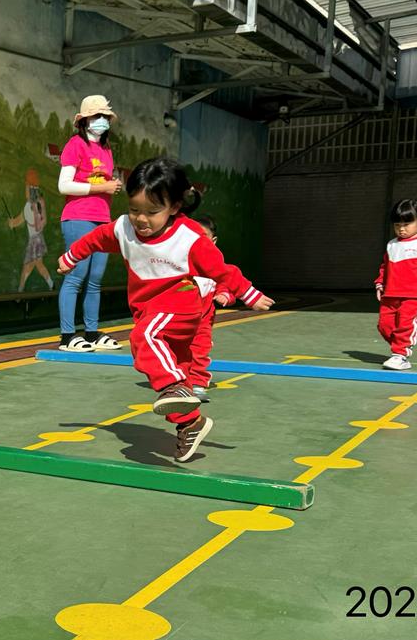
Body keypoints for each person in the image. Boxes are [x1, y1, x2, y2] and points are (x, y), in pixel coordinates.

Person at [58, 158, 273, 462]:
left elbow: (221, 270)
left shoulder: (190, 238)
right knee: (172, 374)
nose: (141, 219)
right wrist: (71, 257)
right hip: (150, 311)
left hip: (180, 305)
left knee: (143, 338)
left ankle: (174, 387)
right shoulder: (123, 228)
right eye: (135, 209)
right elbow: (95, 239)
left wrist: (248, 294)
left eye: (152, 212)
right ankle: (190, 423)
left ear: (174, 207)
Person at [57, 95, 123, 352]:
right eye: (97, 116)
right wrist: (102, 187)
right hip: (78, 217)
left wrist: (111, 185)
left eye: (105, 117)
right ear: (84, 120)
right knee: (76, 276)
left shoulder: (106, 149)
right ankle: (67, 336)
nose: (102, 121)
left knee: (95, 279)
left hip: (102, 218)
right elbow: (64, 185)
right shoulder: (75, 145)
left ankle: (92, 332)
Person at [187, 214, 269, 400]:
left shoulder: (214, 263)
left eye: (203, 237)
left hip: (203, 320)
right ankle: (177, 380)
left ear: (213, 241)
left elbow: (226, 281)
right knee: (177, 349)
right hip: (181, 315)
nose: (198, 241)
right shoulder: (183, 261)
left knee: (200, 349)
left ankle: (198, 383)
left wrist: (225, 295)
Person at [375, 199, 417, 370]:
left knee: (405, 326)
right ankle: (400, 348)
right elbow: (385, 267)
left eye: (406, 224)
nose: (401, 229)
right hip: (390, 295)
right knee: (384, 326)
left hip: (414, 295)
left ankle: (400, 355)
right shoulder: (392, 244)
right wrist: (380, 284)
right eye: (397, 225)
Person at [8, 168, 53, 292]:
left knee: (28, 267)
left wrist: (12, 223)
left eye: (26, 188)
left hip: (34, 241)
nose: (25, 191)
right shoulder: (38, 203)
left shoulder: (29, 206)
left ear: (30, 189)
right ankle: (51, 285)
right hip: (38, 239)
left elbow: (19, 220)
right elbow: (42, 221)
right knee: (37, 265)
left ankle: (20, 293)